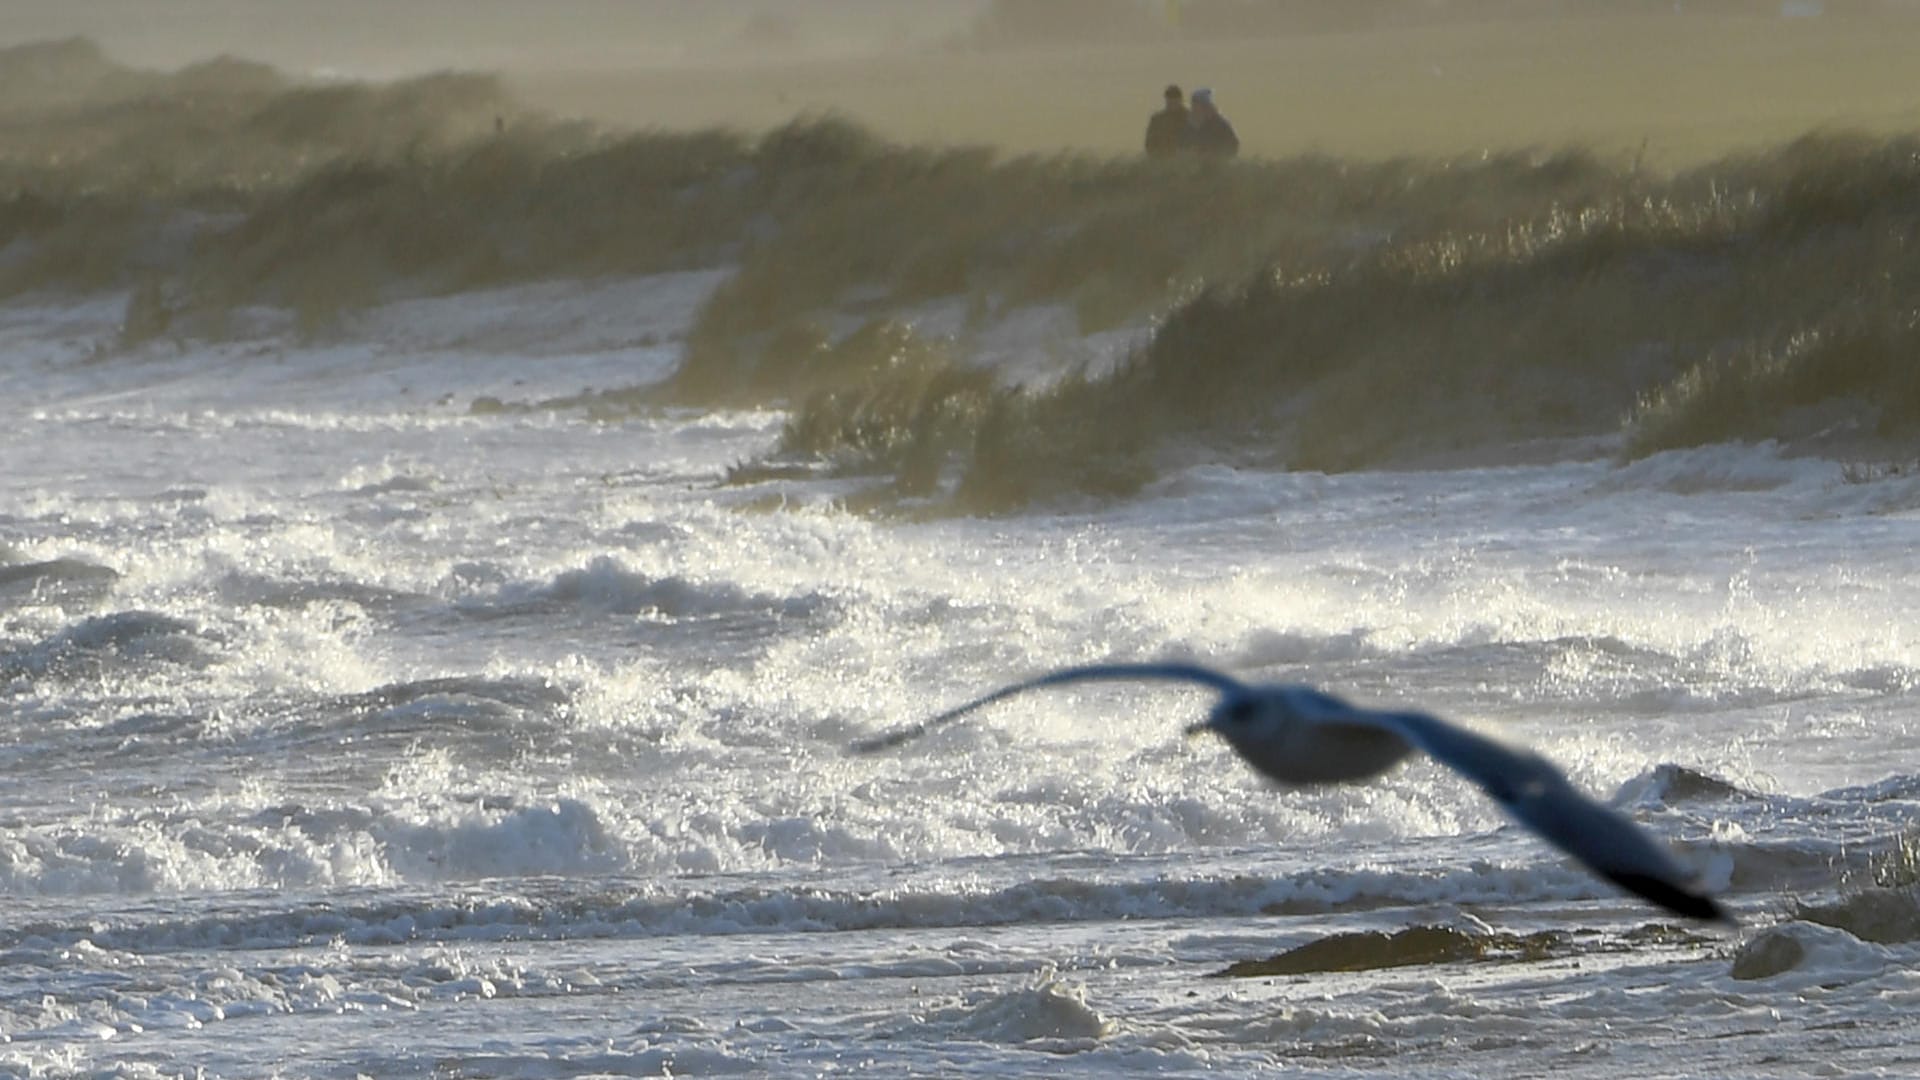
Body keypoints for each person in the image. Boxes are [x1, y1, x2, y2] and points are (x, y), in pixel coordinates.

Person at [1186, 87, 1239, 159]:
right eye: (1193, 104)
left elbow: (1233, 145)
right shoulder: (1190, 123)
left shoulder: (1220, 124)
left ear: (1205, 106)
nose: (1194, 108)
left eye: (1197, 104)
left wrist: (1215, 155)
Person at [1144, 84, 1188, 159]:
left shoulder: (1190, 118)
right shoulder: (1157, 119)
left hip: (1184, 162)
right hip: (1162, 161)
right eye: (1169, 97)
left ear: (1180, 99)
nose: (1172, 100)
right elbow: (1149, 143)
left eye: (1175, 97)